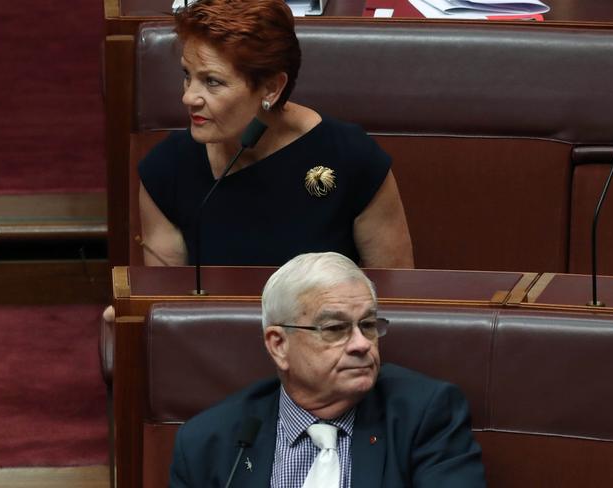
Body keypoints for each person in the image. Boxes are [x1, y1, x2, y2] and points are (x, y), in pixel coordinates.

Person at [169, 252, 486, 487]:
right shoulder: (209, 443)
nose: (361, 344)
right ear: (279, 344)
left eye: (368, 325)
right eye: (335, 328)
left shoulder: (426, 417)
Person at [138, 0, 414, 268]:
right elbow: (167, 302)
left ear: (271, 88)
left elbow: (396, 294)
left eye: (212, 82)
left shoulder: (352, 159)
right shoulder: (166, 170)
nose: (188, 97)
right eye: (187, 75)